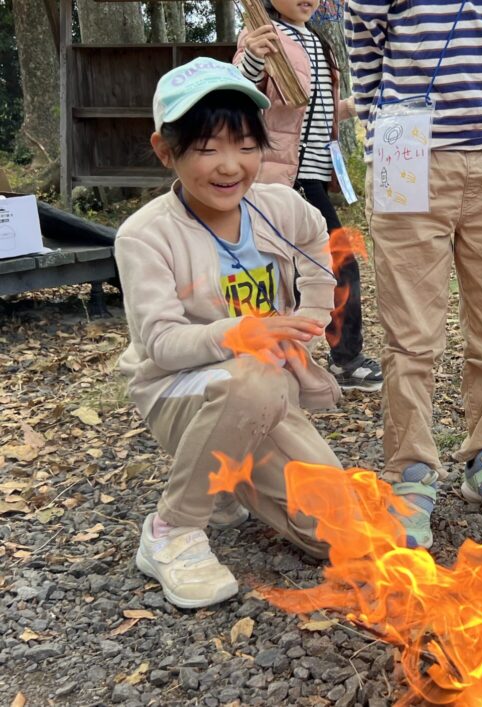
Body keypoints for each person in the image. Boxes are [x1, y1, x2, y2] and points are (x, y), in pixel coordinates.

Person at [116, 58, 345, 609]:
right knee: (251, 380)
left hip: (261, 391)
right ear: (165, 150)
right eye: (206, 148)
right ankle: (172, 529)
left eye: (245, 145)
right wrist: (247, 330)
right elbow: (164, 345)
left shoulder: (280, 207)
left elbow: (318, 240)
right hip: (180, 388)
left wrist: (311, 313)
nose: (230, 166)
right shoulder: (145, 236)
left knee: (339, 530)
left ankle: (222, 482)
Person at [343, 0, 482, 548]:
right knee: (410, 333)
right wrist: (385, 128)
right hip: (404, 151)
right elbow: (364, 50)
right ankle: (410, 467)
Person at [236, 0, 383, 392]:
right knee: (302, 266)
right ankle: (332, 359)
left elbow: (310, 110)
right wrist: (252, 54)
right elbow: (240, 90)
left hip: (314, 177)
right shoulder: (262, 34)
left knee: (329, 262)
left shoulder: (317, 41)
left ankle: (338, 358)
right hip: (278, 176)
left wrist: (350, 107)